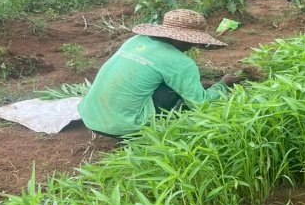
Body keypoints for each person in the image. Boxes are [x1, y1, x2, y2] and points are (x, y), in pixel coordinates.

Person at [79, 9, 235, 138]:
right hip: (124, 127)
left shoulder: (136, 41)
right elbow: (201, 103)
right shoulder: (181, 63)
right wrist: (223, 84)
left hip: (90, 117)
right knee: (177, 96)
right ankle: (156, 133)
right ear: (187, 40)